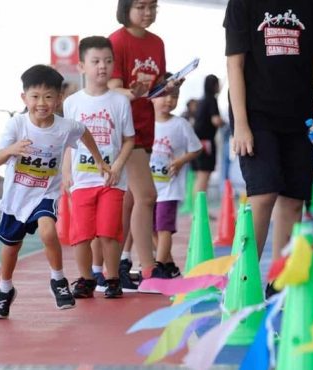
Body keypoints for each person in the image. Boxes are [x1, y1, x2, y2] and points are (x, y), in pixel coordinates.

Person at [224, 0, 313, 298]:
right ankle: (241, 281)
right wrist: (241, 124)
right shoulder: (241, 3)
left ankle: (279, 285)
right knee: (263, 193)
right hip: (256, 112)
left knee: (294, 200)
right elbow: (235, 64)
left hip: (300, 112)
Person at [0, 64, 110, 318]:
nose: (41, 103)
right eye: (35, 97)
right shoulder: (17, 125)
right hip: (16, 197)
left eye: (48, 96)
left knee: (47, 229)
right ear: (24, 98)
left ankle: (58, 280)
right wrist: (12, 150)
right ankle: (4, 290)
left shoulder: (65, 127)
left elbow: (84, 132)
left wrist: (98, 160)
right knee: (11, 248)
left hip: (45, 194)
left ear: (59, 99)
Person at [108, 0, 182, 291]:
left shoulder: (157, 42)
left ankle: (118, 265)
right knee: (147, 196)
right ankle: (148, 267)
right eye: (141, 6)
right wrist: (133, 92)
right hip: (124, 130)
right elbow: (112, 89)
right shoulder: (117, 41)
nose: (148, 12)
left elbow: (156, 85)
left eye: (152, 6)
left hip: (145, 125)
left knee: (130, 200)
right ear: (126, 7)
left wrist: (168, 87)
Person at [61, 36, 135, 299]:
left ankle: (112, 278)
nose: (102, 66)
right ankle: (86, 279)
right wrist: (66, 173)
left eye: (107, 61)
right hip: (82, 181)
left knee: (108, 232)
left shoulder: (119, 102)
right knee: (81, 235)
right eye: (95, 61)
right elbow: (69, 142)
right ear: (82, 66)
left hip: (111, 182)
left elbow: (128, 140)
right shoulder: (72, 103)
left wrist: (116, 166)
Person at [151, 74, 202, 277]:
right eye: (163, 95)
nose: (169, 100)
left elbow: (196, 148)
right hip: (148, 188)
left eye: (174, 96)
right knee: (149, 229)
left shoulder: (180, 124)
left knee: (164, 229)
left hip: (170, 188)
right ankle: (168, 264)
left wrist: (181, 161)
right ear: (152, 96)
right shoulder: (144, 123)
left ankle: (158, 266)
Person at [192, 74, 223, 194]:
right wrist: (224, 122)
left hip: (197, 142)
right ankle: (199, 211)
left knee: (200, 177)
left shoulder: (201, 100)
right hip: (205, 143)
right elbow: (216, 120)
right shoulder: (211, 100)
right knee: (204, 176)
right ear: (214, 85)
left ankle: (199, 209)